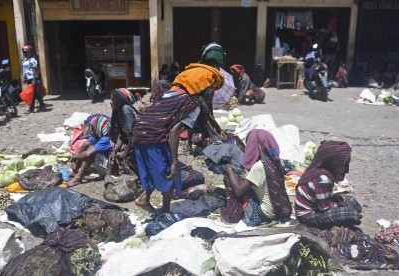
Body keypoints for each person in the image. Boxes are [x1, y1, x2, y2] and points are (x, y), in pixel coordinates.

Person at [133, 43, 228, 214]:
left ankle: (149, 200)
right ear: (205, 88)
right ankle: (161, 209)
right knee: (171, 172)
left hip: (141, 130)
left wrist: (215, 128)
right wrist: (176, 162)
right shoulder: (191, 102)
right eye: (211, 90)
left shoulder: (176, 92)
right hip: (154, 135)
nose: (211, 94)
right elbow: (175, 132)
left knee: (160, 170)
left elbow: (204, 113)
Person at [217, 129, 292, 226]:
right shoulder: (276, 161)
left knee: (231, 178)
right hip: (277, 209)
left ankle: (234, 214)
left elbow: (238, 190)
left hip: (263, 213)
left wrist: (229, 171)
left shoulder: (260, 166)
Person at [295, 140, 362, 229]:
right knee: (352, 215)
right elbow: (324, 208)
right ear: (333, 163)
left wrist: (340, 203)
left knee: (351, 200)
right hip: (307, 216)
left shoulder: (318, 170)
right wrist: (341, 206)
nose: (346, 169)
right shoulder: (323, 179)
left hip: (316, 205)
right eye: (343, 165)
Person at [68, 114, 112, 187]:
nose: (90, 130)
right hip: (102, 162)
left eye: (92, 128)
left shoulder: (106, 139)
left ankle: (78, 178)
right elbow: (85, 144)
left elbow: (88, 153)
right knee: (86, 145)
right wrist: (75, 160)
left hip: (108, 168)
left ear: (98, 128)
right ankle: (75, 170)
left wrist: (74, 157)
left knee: (90, 152)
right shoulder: (97, 135)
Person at [108, 88, 139, 176]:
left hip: (140, 142)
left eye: (113, 100)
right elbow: (123, 134)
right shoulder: (118, 112)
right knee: (113, 154)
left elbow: (134, 134)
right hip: (132, 142)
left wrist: (125, 152)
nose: (110, 102)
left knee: (125, 157)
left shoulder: (126, 110)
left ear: (119, 100)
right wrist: (115, 150)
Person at [21, 44, 46, 113]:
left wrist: (34, 80)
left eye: (27, 52)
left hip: (33, 78)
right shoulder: (25, 60)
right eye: (24, 52)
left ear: (31, 52)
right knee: (35, 93)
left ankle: (31, 109)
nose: (25, 54)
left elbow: (34, 70)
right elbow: (25, 70)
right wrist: (24, 78)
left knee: (31, 94)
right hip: (29, 79)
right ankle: (42, 104)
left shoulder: (32, 60)